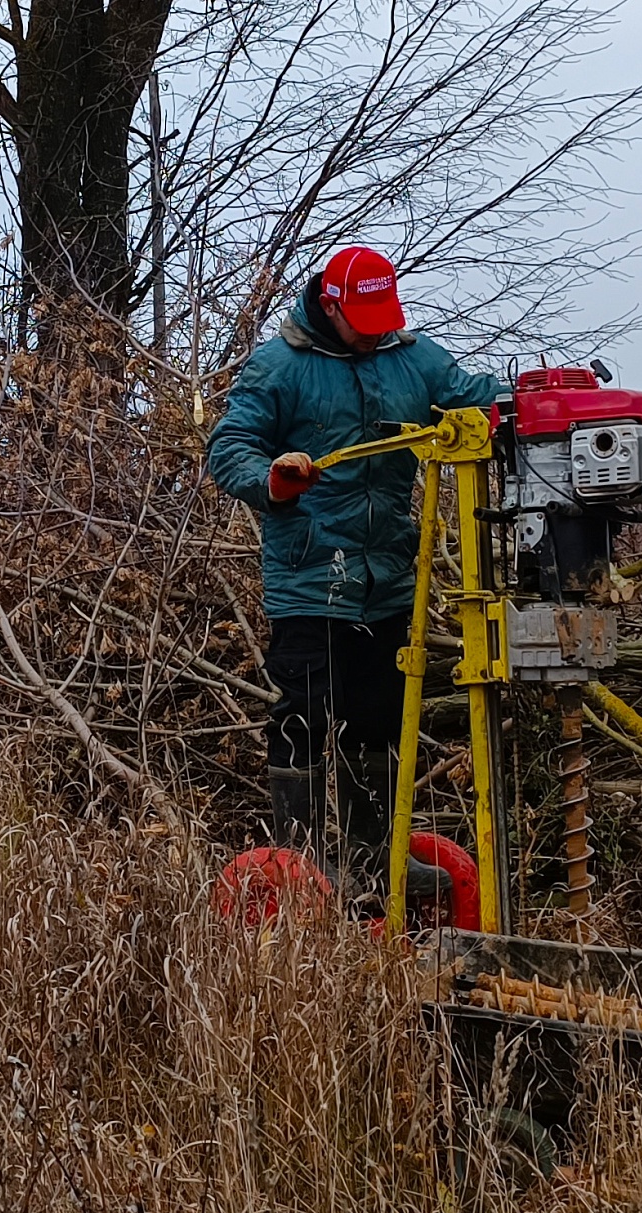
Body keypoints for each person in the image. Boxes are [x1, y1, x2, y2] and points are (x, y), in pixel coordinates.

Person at [206, 246, 503, 902]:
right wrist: (273, 481)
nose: (373, 330)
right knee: (304, 714)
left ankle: (373, 864)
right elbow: (229, 449)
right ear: (331, 304)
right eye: (360, 318)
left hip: (389, 580)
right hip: (309, 578)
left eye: (381, 316)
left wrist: (543, 388)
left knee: (380, 717)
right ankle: (306, 866)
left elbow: (479, 401)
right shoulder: (279, 366)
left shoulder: (414, 359)